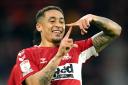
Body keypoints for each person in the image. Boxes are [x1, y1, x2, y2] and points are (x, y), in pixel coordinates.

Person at [8, 6, 122, 85]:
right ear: (39, 27)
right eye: (52, 21)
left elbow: (115, 31)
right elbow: (36, 83)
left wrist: (93, 18)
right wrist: (59, 55)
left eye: (61, 21)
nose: (58, 25)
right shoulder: (26, 54)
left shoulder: (76, 49)